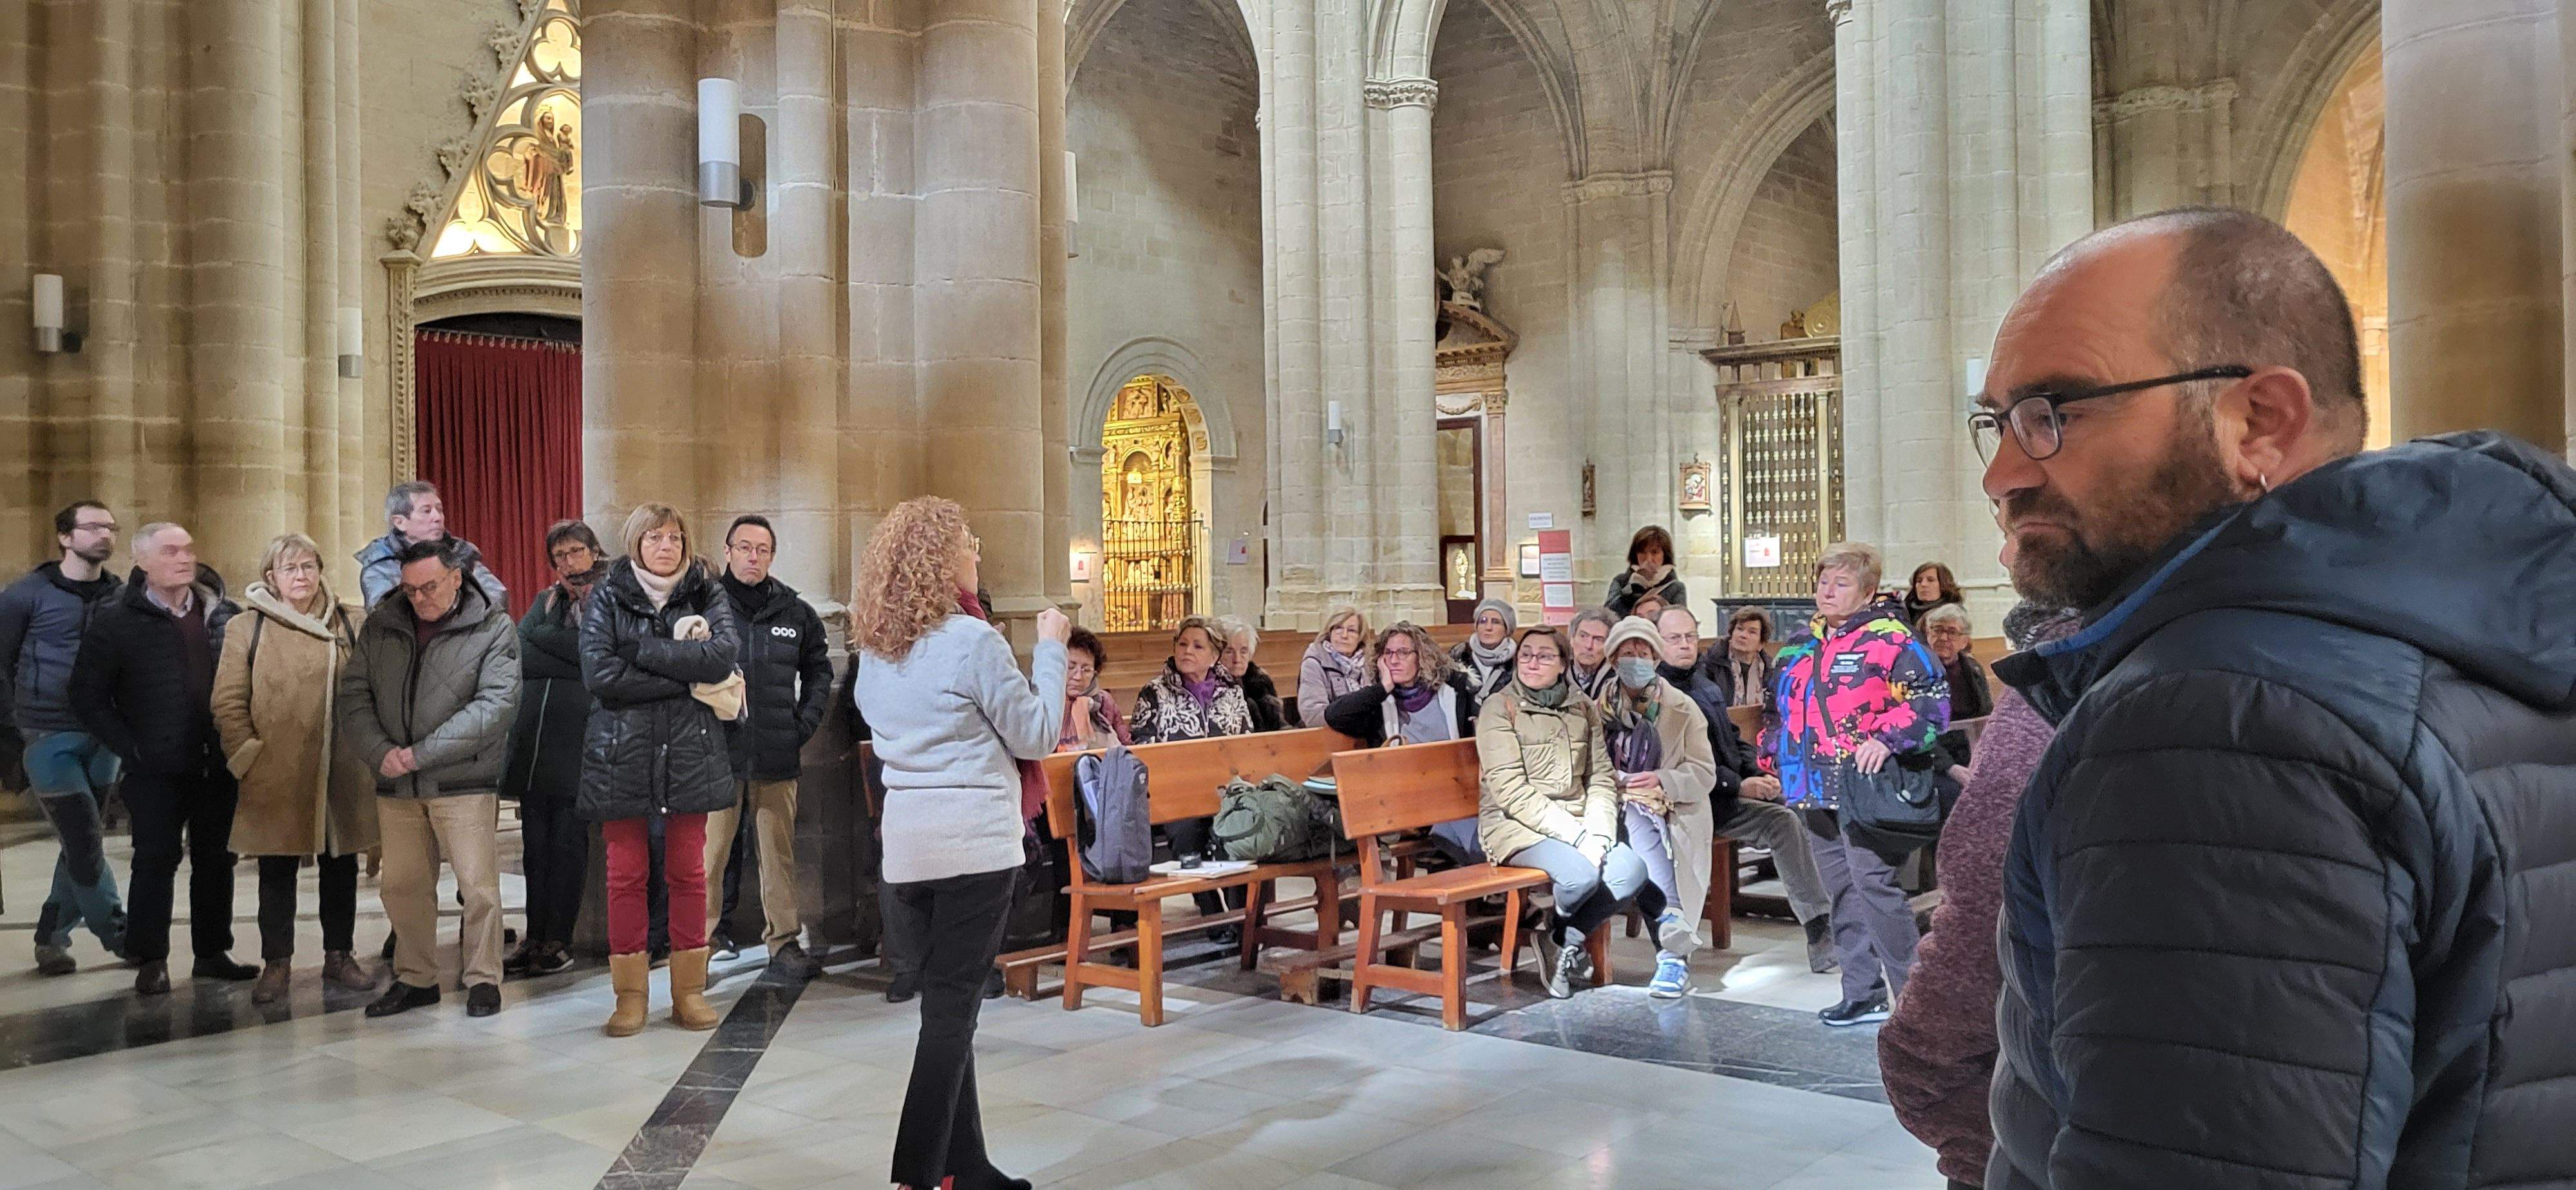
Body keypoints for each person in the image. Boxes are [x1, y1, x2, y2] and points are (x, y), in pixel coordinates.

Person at [1978, 207, 2576, 1188]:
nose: (2005, 473)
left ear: (2261, 421)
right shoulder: (2492, 629)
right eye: (1995, 424)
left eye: (2056, 412)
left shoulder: (2215, 719)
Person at [846, 496, 1066, 1190]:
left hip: (907, 852)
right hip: (972, 849)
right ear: (943, 560)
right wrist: (1053, 650)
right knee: (950, 1017)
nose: (977, 552)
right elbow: (1036, 735)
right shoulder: (971, 641)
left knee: (948, 1010)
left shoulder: (876, 649)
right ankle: (916, 1174)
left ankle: (965, 1169)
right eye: (969, 541)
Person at [1878, 601, 2076, 1190]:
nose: (2006, 550)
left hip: (2059, 1102)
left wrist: (1918, 1062)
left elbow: (1987, 894)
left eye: (2022, 509)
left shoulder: (2063, 676)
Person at [1764, 542, 1947, 1026]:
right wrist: (1772, 752)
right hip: (1811, 786)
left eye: (1841, 582)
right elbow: (1776, 708)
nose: (1828, 589)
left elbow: (1933, 704)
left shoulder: (1891, 641)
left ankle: (1917, 1000)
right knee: (1840, 890)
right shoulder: (1800, 643)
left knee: (1874, 886)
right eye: (1824, 580)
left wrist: (1889, 740)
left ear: (1866, 591)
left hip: (1865, 786)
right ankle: (1863, 992)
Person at [69, 522, 256, 994]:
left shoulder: (223, 613)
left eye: (189, 548)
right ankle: (151, 958)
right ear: (142, 562)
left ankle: (213, 952)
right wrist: (131, 747)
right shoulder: (116, 619)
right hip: (155, 767)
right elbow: (88, 696)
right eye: (171, 550)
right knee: (155, 861)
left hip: (218, 763)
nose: (184, 557)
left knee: (217, 861)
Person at [341, 538, 519, 1019]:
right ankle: (416, 978)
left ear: (457, 578)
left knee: (478, 886)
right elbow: (353, 695)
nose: (420, 598)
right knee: (402, 887)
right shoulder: (381, 625)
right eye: (411, 589)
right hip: (395, 784)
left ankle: (483, 978)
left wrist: (419, 755)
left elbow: (494, 707)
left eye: (430, 587)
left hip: (463, 783)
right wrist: (381, 753)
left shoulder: (493, 627)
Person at [581, 504, 741, 1036]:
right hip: (621, 753)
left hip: (690, 751)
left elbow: (721, 658)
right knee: (626, 873)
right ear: (636, 543)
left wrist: (643, 650)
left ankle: (687, 992)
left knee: (689, 873)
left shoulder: (705, 590)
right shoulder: (607, 594)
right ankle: (630, 997)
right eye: (655, 537)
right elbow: (601, 674)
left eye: (675, 537)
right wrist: (682, 676)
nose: (667, 546)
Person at [211, 533, 379, 1003]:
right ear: (272, 578)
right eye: (290, 569)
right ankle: (277, 964)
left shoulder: (350, 621)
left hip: (342, 768)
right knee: (277, 871)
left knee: (340, 867)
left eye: (308, 566)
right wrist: (246, 753)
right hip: (276, 768)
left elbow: (371, 689)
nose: (301, 576)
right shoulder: (248, 627)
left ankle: (339, 956)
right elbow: (227, 699)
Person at [1655, 606, 1837, 975]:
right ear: (1657, 643)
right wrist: (1741, 785)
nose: (1686, 645)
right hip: (1690, 802)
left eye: (1691, 636)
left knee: (1808, 801)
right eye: (1675, 638)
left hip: (1722, 794)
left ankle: (1832, 914)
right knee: (1782, 822)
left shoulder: (1704, 685)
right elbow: (1683, 762)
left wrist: (1757, 775)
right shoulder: (1659, 693)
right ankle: (1820, 926)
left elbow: (1732, 739)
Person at [1474, 624, 1647, 999]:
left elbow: (1600, 776)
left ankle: (1558, 937)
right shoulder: (1499, 707)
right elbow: (1510, 791)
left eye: (1545, 656)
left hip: (1580, 820)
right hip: (1516, 825)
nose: (1533, 662)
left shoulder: (1581, 706)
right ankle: (1564, 941)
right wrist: (1578, 837)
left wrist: (1600, 835)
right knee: (1579, 877)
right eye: (1526, 655)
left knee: (1631, 872)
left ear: (1563, 664)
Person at [1, 502, 129, 976]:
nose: (104, 535)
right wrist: (11, 732)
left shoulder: (120, 596)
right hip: (46, 732)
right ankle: (121, 934)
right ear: (64, 537)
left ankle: (51, 937)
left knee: (82, 840)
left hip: (105, 733)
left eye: (110, 527)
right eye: (92, 527)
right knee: (82, 838)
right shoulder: (24, 596)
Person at [704, 515, 832, 976]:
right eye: (744, 548)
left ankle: (783, 942)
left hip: (777, 754)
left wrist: (804, 724)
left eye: (761, 550)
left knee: (778, 856)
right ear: (728, 551)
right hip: (718, 756)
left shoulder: (794, 612)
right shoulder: (705, 606)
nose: (752, 556)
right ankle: (698, 945)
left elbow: (820, 671)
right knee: (708, 859)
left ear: (772, 556)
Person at [499, 520, 604, 978]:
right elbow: (518, 650)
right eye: (559, 556)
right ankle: (534, 934)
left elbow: (593, 656)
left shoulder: (606, 599)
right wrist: (558, 652)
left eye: (576, 551)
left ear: (595, 552)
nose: (568, 562)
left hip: (576, 741)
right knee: (534, 848)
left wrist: (546, 646)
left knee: (566, 845)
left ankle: (559, 938)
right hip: (534, 743)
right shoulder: (546, 601)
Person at [1593, 616, 1712, 998]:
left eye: (1643, 652)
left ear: (1657, 659)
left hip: (1670, 806)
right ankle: (1672, 951)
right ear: (1613, 659)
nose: (1636, 659)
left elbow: (1703, 772)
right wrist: (1611, 781)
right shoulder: (1596, 709)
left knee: (1643, 830)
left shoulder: (1683, 708)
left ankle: (1672, 955)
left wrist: (1663, 779)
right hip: (1608, 803)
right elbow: (1583, 763)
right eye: (1627, 653)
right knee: (1632, 827)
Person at [1128, 616, 1255, 929]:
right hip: (1175, 794)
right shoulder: (1155, 693)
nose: (1188, 651)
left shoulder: (1232, 692)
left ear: (1214, 655)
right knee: (1187, 833)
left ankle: (1242, 920)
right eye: (1182, 644)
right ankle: (1212, 916)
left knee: (1238, 830)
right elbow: (1141, 745)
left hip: (1224, 791)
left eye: (1198, 646)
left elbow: (1247, 740)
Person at [1321, 621, 1486, 862]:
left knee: (1476, 823)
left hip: (1460, 790)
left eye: (1403, 652)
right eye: (1388, 653)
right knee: (1465, 832)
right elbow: (1333, 716)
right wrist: (1384, 687)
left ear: (1422, 657)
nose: (1394, 660)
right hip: (1408, 800)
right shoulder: (1379, 705)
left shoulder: (1454, 692)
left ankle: (1484, 879)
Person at [353, 480, 508, 609]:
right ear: (400, 522)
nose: (437, 517)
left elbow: (497, 596)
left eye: (439, 510)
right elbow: (387, 611)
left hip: (467, 638)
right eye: (426, 511)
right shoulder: (382, 561)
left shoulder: (460, 553)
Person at [1917, 604, 1989, 784]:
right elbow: (1916, 727)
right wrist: (1949, 766)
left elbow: (1986, 715)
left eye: (1952, 632)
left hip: (1972, 749)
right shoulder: (1915, 672)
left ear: (1965, 641)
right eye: (1937, 630)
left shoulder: (1973, 669)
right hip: (1932, 755)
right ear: (1928, 634)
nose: (1943, 637)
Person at [1056, 627, 1131, 753]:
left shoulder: (1104, 701)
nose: (1078, 676)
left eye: (1086, 670)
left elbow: (1126, 745)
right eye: (1070, 667)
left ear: (1095, 673)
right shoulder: (1046, 701)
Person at [1210, 614, 1289, 732]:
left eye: (1243, 651)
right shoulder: (1210, 687)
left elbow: (1279, 727)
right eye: (1229, 651)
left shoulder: (1260, 683)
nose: (1237, 659)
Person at [1294, 606, 1368, 728]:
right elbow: (1314, 716)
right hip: (1328, 739)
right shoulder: (1314, 663)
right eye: (1338, 628)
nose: (1344, 635)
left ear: (1360, 636)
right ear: (1330, 632)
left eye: (1352, 630)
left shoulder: (1370, 664)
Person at [1698, 605, 1778, 713]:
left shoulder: (1770, 671)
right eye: (1740, 629)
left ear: (1761, 644)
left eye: (1752, 632)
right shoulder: (1711, 664)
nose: (1743, 635)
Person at [1604, 525, 1685, 618]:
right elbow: (1609, 615)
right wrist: (1637, 583)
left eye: (1654, 552)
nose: (1648, 559)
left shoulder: (1676, 587)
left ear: (1665, 555)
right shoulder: (1620, 581)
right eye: (1642, 552)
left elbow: (1678, 620)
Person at [1448, 598, 1517, 699]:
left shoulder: (1517, 661)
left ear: (1507, 629)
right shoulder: (1460, 656)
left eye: (1496, 622)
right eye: (1483, 621)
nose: (1488, 627)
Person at [1564, 607, 1618, 699]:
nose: (1589, 646)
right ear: (1572, 639)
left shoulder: (1617, 677)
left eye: (1598, 640)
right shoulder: (1557, 672)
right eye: (1583, 636)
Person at [1899, 562, 1961, 628]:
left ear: (1944, 585)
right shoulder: (1904, 613)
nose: (1923, 584)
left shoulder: (1954, 615)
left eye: (1931, 580)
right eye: (1919, 581)